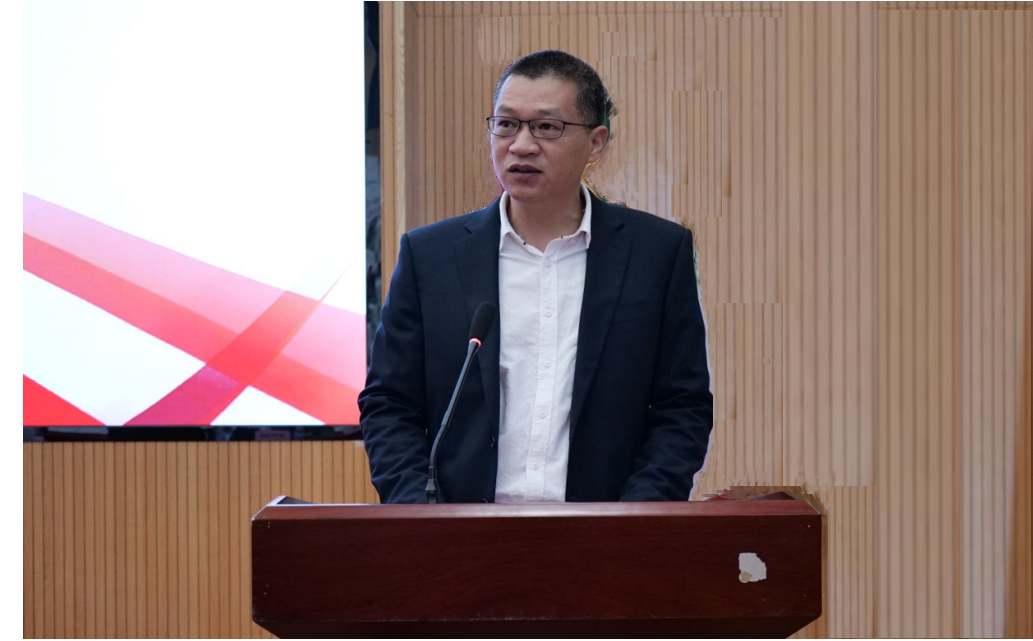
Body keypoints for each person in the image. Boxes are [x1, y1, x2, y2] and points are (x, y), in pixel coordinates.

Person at [359, 50, 713, 504]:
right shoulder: (430, 257)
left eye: (547, 127)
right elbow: (389, 404)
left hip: (606, 530)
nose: (521, 145)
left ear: (596, 143)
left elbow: (681, 407)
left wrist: (634, 519)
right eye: (506, 124)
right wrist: (421, 514)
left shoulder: (656, 254)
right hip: (458, 532)